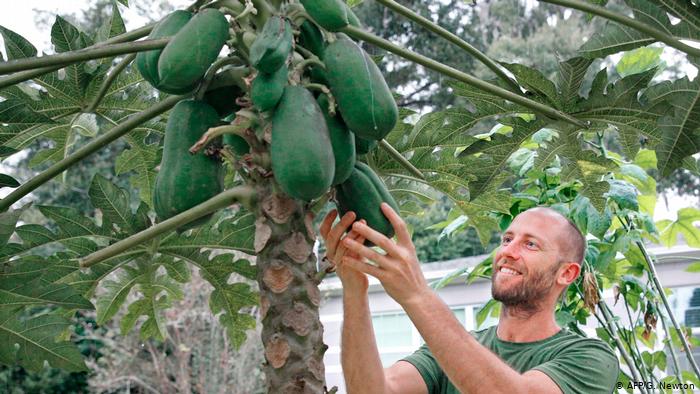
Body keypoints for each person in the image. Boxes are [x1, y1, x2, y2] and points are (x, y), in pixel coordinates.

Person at [319, 204, 620, 394]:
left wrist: (417, 294)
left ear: (566, 273)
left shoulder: (590, 359)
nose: (508, 252)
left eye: (530, 244)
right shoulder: (447, 351)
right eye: (506, 239)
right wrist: (354, 287)